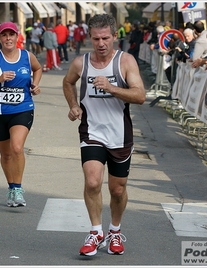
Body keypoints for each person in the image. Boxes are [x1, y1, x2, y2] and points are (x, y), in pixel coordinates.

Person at [62, 14, 145, 256]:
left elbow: (140, 96)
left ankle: (115, 231)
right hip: (92, 132)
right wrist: (73, 105)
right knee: (92, 181)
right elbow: (68, 83)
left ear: (114, 37)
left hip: (120, 134)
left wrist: (111, 88)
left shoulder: (125, 62)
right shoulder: (81, 63)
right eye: (96, 38)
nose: (101, 43)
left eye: (105, 38)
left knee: (117, 189)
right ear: (89, 37)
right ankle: (96, 231)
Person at [0, 21, 42, 207]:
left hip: (23, 109)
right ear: (0, 38)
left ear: (17, 36)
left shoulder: (27, 56)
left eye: (11, 35)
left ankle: (19, 188)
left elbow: (38, 69)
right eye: (4, 35)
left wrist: (35, 85)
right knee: (5, 155)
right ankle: (11, 187)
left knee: (17, 148)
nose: (8, 39)